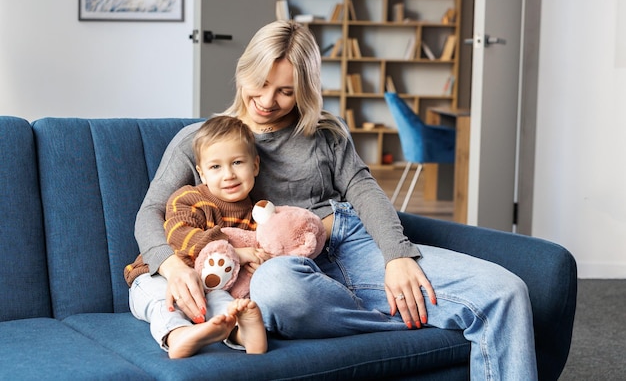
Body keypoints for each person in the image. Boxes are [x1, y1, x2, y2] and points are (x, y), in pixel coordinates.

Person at [133, 20, 538, 380]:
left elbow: (363, 190)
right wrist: (170, 266)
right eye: (260, 82)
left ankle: (398, 307)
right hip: (284, 271)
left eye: (286, 91)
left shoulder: (326, 132)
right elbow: (151, 212)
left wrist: (397, 256)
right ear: (243, 71)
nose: (268, 100)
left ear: (305, 90)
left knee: (506, 292)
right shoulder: (201, 141)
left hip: (352, 247)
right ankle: (409, 320)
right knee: (276, 289)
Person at [125, 115, 268, 359]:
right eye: (216, 167)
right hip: (157, 275)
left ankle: (242, 334)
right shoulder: (188, 198)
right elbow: (180, 235)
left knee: (226, 307)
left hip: (210, 288)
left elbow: (256, 250)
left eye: (237, 162)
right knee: (162, 303)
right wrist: (234, 251)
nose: (228, 175)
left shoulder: (257, 214)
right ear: (201, 173)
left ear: (254, 165)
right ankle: (178, 335)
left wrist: (259, 262)